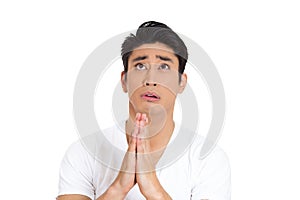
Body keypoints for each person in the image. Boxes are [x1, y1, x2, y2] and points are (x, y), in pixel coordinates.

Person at [57, 21, 231, 200]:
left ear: (181, 83)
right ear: (124, 80)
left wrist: (153, 188)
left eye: (164, 67)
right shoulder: (83, 152)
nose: (151, 80)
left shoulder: (208, 158)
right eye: (140, 66)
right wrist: (118, 188)